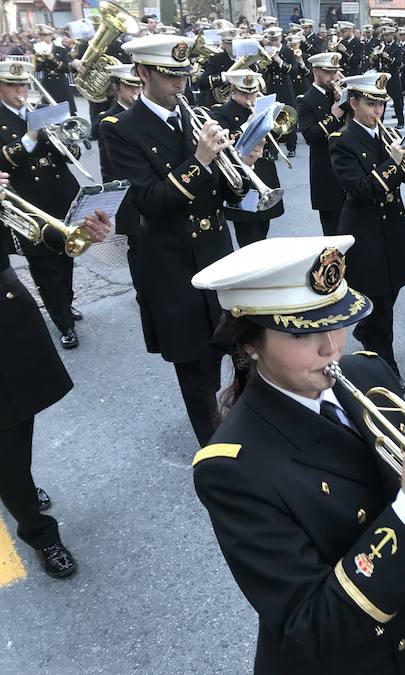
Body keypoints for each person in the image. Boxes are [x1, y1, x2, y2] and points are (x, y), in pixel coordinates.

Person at [191, 235, 405, 673]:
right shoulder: (230, 467)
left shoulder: (366, 372)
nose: (332, 347)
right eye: (303, 331)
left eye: (337, 321)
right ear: (250, 342)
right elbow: (310, 629)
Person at [102, 35, 260, 447]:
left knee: (244, 351)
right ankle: (218, 454)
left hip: (216, 254)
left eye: (184, 75)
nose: (181, 85)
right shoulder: (121, 130)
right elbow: (150, 202)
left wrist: (240, 166)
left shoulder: (196, 116)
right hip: (171, 264)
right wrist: (202, 159)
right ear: (142, 73)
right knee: (197, 370)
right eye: (170, 76)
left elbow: (224, 194)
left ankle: (256, 430)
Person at [1, 168, 112, 579]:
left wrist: (72, 234)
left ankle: (17, 485)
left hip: (7, 306)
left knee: (21, 417)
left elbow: (26, 234)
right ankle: (39, 532)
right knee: (5, 435)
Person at [329, 72, 405, 392]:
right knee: (381, 301)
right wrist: (392, 163)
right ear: (354, 102)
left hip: (394, 227)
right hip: (365, 231)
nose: (378, 111)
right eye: (371, 104)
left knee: (391, 291)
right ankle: (386, 363)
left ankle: (369, 331)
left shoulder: (386, 135)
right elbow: (359, 189)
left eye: (381, 104)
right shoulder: (341, 141)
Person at [0, 60, 83, 350]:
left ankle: (67, 303)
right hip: (28, 202)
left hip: (61, 195)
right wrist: (31, 136)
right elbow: (3, 161)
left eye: (23, 84)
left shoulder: (41, 113)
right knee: (44, 265)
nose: (19, 90)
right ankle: (63, 322)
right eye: (12, 85)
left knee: (67, 254)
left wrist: (65, 137)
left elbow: (73, 153)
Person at [210, 70, 284, 247]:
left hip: (264, 173)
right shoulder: (221, 113)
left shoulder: (261, 108)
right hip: (242, 179)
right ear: (233, 90)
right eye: (244, 93)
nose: (250, 97)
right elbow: (225, 147)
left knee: (262, 231)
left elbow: (275, 141)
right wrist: (248, 126)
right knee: (249, 238)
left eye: (252, 92)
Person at [97, 63, 143, 287]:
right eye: (129, 87)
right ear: (117, 87)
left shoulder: (144, 111)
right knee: (138, 251)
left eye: (138, 86)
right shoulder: (109, 120)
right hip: (130, 197)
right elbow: (109, 168)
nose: (136, 92)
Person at [296, 52, 345, 236]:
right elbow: (309, 135)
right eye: (328, 73)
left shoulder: (340, 93)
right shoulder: (306, 100)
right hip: (326, 171)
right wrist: (333, 117)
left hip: (347, 167)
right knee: (333, 232)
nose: (333, 77)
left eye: (335, 72)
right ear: (316, 72)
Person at [261, 27, 299, 158]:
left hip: (285, 87)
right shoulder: (265, 51)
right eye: (271, 40)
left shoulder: (288, 51)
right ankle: (273, 149)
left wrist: (280, 61)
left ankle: (291, 146)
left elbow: (294, 70)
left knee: (289, 114)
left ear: (281, 38)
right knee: (271, 117)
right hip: (272, 86)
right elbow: (262, 70)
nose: (273, 42)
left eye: (275, 40)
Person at [32, 26, 76, 117]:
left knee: (67, 111)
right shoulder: (37, 49)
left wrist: (54, 59)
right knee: (48, 111)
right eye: (41, 35)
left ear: (51, 35)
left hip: (60, 83)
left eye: (45, 35)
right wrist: (39, 61)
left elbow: (67, 68)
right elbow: (37, 69)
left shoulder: (60, 49)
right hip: (47, 83)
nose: (43, 37)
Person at [196, 28, 238, 108]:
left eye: (236, 43)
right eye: (230, 44)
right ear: (224, 44)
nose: (234, 47)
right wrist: (223, 77)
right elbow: (202, 82)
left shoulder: (246, 57)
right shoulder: (216, 59)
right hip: (222, 105)